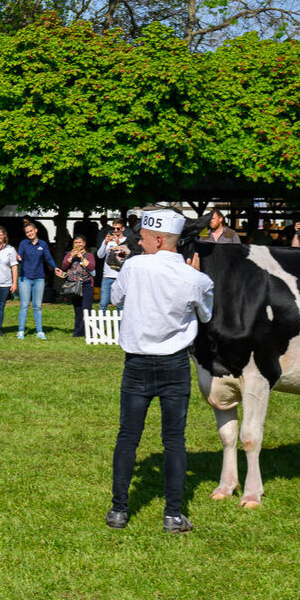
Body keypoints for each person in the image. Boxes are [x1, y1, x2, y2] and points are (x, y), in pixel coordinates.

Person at [107, 208, 214, 534]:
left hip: (137, 363)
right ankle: (172, 514)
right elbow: (206, 316)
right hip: (175, 363)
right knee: (174, 440)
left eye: (141, 238)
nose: (137, 243)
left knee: (128, 437)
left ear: (157, 239)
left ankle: (119, 510)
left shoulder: (134, 267)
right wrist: (194, 278)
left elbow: (115, 299)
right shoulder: (196, 278)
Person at [16, 220, 56, 339]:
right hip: (25, 278)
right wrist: (18, 258)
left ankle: (39, 331)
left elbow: (48, 258)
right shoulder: (23, 243)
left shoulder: (43, 244)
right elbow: (19, 257)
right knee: (24, 305)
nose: (29, 233)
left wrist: (55, 268)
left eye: (31, 231)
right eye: (27, 232)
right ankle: (21, 331)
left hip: (39, 279)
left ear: (36, 230)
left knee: (37, 306)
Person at [56, 235, 97, 338]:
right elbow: (64, 266)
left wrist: (81, 257)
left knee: (87, 309)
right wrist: (71, 257)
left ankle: (90, 331)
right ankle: (78, 332)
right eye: (76, 243)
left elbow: (91, 267)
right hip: (74, 285)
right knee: (78, 309)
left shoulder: (89, 255)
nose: (78, 245)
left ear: (84, 244)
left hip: (87, 284)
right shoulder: (69, 255)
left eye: (80, 242)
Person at [97, 218, 131, 310]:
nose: (115, 231)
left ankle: (121, 324)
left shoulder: (126, 240)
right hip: (107, 276)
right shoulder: (108, 241)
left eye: (118, 229)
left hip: (120, 276)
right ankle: (101, 323)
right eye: (113, 228)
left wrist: (118, 243)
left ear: (123, 229)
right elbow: (100, 255)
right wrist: (105, 243)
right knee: (103, 304)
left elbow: (128, 256)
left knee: (120, 305)